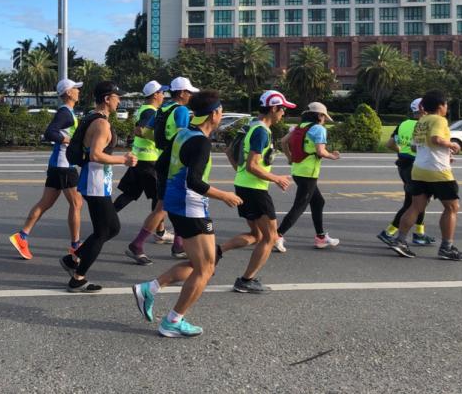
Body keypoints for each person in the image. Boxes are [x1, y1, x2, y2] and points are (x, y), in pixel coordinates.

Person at [132, 90, 242, 337]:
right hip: (190, 206)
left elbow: (162, 165)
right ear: (214, 114)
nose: (222, 114)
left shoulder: (183, 133)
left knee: (200, 264)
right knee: (206, 268)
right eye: (221, 110)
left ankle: (150, 289)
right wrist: (224, 195)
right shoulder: (200, 142)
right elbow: (194, 181)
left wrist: (167, 197)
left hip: (179, 203)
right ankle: (173, 320)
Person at [59, 81, 137, 292]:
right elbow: (95, 155)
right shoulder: (101, 123)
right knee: (105, 231)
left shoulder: (93, 118)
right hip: (95, 182)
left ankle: (73, 259)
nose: (120, 101)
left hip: (97, 181)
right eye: (117, 97)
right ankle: (78, 277)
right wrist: (124, 160)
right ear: (107, 99)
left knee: (110, 229)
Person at [219, 90, 293, 293]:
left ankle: (217, 251)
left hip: (243, 185)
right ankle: (246, 280)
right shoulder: (261, 131)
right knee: (271, 237)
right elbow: (252, 165)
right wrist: (276, 178)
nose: (284, 113)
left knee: (257, 235)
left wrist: (241, 172)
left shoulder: (251, 125)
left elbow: (230, 152)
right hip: (255, 190)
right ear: (273, 108)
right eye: (282, 109)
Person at [124, 77, 198, 263]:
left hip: (162, 159)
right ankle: (137, 244)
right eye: (189, 92)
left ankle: (178, 246)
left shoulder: (163, 108)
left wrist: (163, 142)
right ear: (182, 93)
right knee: (163, 207)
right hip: (175, 163)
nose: (190, 95)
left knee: (176, 205)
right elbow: (183, 137)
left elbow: (145, 131)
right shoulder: (181, 110)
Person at [9, 79, 84, 260]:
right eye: (75, 88)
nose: (78, 91)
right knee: (76, 204)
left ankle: (22, 236)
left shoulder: (68, 112)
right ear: (68, 93)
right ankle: (75, 246)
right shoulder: (65, 113)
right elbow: (50, 132)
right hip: (64, 165)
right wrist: (68, 141)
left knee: (45, 203)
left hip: (58, 164)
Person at [388, 90, 462, 260]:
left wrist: (443, 154)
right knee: (452, 208)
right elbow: (436, 139)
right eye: (446, 104)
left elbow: (415, 147)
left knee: (415, 207)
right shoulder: (439, 120)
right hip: (437, 171)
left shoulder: (421, 121)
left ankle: (400, 241)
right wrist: (452, 145)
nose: (447, 107)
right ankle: (446, 248)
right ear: (440, 106)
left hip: (418, 169)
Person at [114, 80, 173, 266]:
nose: (163, 96)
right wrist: (160, 139)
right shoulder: (150, 111)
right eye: (161, 93)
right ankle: (160, 233)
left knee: (131, 194)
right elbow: (139, 130)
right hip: (149, 160)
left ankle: (106, 218)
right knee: (160, 199)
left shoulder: (144, 109)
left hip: (140, 158)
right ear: (155, 95)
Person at [275, 102, 341, 252]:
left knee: (318, 202)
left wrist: (290, 157)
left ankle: (321, 237)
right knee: (300, 205)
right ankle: (277, 235)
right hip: (309, 173)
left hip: (297, 171)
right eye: (324, 117)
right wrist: (333, 156)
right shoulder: (319, 129)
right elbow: (320, 151)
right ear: (319, 115)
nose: (324, 120)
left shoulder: (299, 127)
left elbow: (283, 141)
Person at [377, 98, 435, 246]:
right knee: (413, 203)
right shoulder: (424, 125)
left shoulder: (403, 124)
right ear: (423, 109)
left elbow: (390, 143)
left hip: (403, 165)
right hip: (416, 167)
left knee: (421, 200)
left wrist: (401, 151)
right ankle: (388, 232)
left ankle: (419, 234)